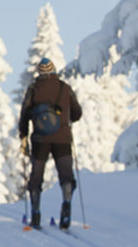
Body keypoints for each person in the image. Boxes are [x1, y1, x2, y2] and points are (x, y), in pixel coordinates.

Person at [18, 57, 82, 230]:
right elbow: (77, 113)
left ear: (39, 72)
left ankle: (36, 213)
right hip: (63, 138)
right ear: (54, 71)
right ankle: (66, 205)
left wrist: (23, 135)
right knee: (66, 174)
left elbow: (24, 114)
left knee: (37, 175)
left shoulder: (33, 89)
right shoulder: (64, 88)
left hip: (40, 139)